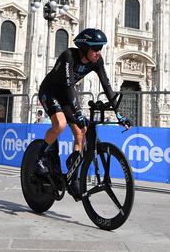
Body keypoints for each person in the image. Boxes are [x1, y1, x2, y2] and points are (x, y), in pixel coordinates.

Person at [35, 28, 130, 196]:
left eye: (100, 49)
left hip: (65, 97)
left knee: (81, 133)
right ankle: (41, 157)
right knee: (60, 124)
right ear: (85, 48)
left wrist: (119, 114)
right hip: (50, 92)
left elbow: (107, 86)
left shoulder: (96, 62)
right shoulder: (68, 57)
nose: (98, 53)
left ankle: (73, 177)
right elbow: (69, 86)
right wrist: (78, 113)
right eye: (95, 49)